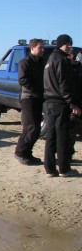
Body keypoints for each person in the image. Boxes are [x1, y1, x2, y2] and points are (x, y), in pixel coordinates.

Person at [43, 34, 81, 177]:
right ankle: (64, 169)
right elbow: (64, 84)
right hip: (59, 103)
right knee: (62, 137)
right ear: (62, 44)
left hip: (49, 102)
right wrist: (72, 103)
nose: (70, 46)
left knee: (50, 137)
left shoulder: (50, 59)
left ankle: (50, 169)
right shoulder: (62, 60)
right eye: (68, 44)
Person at [14, 39, 46, 165]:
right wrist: (37, 90)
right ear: (32, 48)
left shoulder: (42, 62)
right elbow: (23, 79)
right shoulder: (25, 62)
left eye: (43, 47)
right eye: (40, 47)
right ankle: (20, 153)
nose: (42, 49)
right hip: (28, 97)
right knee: (31, 127)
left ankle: (27, 153)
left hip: (39, 98)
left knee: (36, 128)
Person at [67, 48, 82, 160]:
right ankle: (67, 155)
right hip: (71, 104)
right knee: (70, 132)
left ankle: (67, 155)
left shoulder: (77, 68)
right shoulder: (66, 68)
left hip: (77, 103)